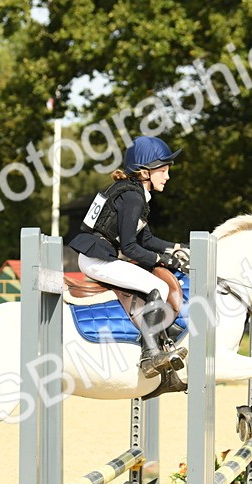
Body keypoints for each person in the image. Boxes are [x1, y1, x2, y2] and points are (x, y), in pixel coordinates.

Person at [67, 135, 190, 378]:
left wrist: (177, 247)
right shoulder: (132, 197)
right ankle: (150, 354)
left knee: (153, 281)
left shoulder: (135, 194)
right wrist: (161, 261)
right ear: (145, 171)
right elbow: (131, 248)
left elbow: (147, 240)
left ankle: (159, 337)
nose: (167, 176)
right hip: (97, 259)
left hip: (99, 255)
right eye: (163, 170)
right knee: (157, 285)